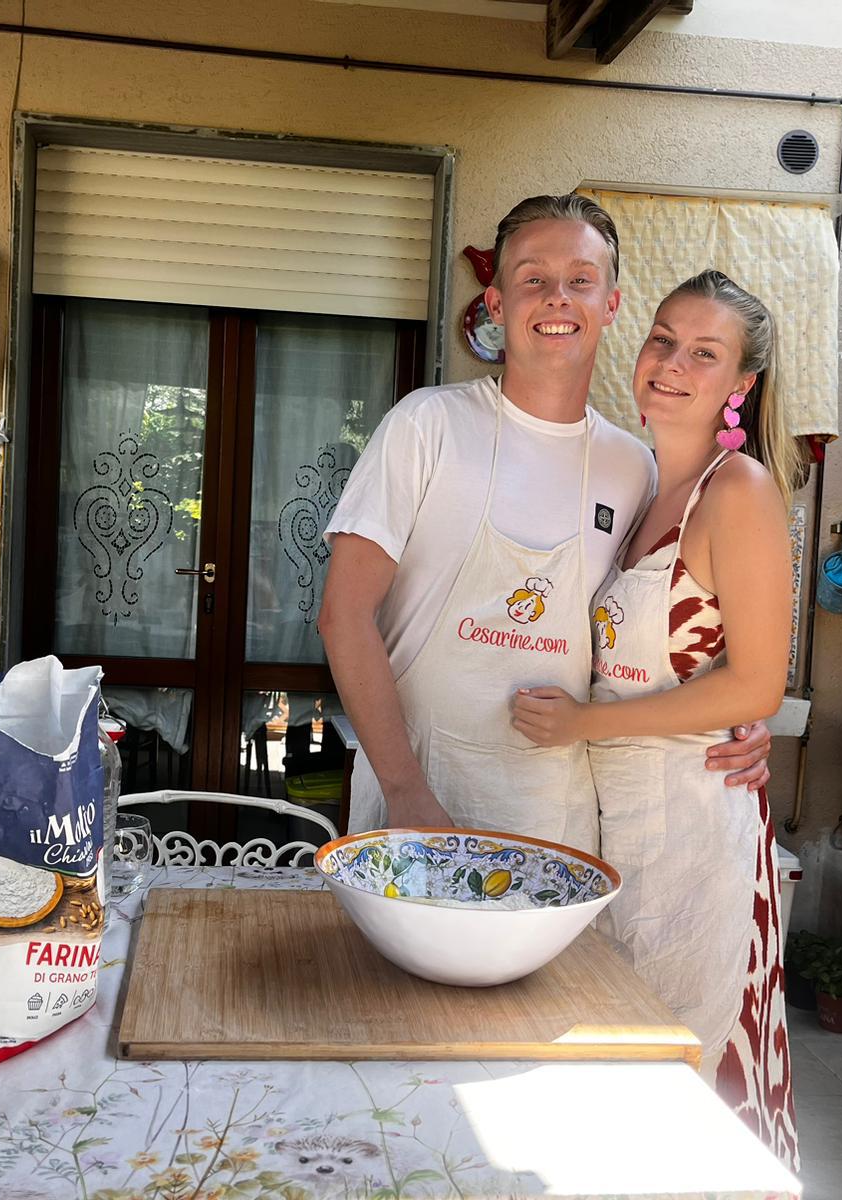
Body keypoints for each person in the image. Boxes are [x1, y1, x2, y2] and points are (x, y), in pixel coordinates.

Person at [319, 194, 772, 844]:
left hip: (555, 813)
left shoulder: (633, 467)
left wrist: (734, 716)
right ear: (497, 304)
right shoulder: (428, 426)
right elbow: (343, 615)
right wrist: (406, 790)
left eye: (581, 281)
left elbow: (647, 628)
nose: (557, 296)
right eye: (533, 278)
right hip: (414, 798)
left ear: (610, 305)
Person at [511, 269, 799, 1168]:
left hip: (695, 840)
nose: (672, 365)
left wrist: (582, 727)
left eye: (704, 353)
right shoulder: (640, 490)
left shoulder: (738, 489)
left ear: (739, 384)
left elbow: (757, 687)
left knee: (680, 1084)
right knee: (613, 1076)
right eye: (664, 340)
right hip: (618, 827)